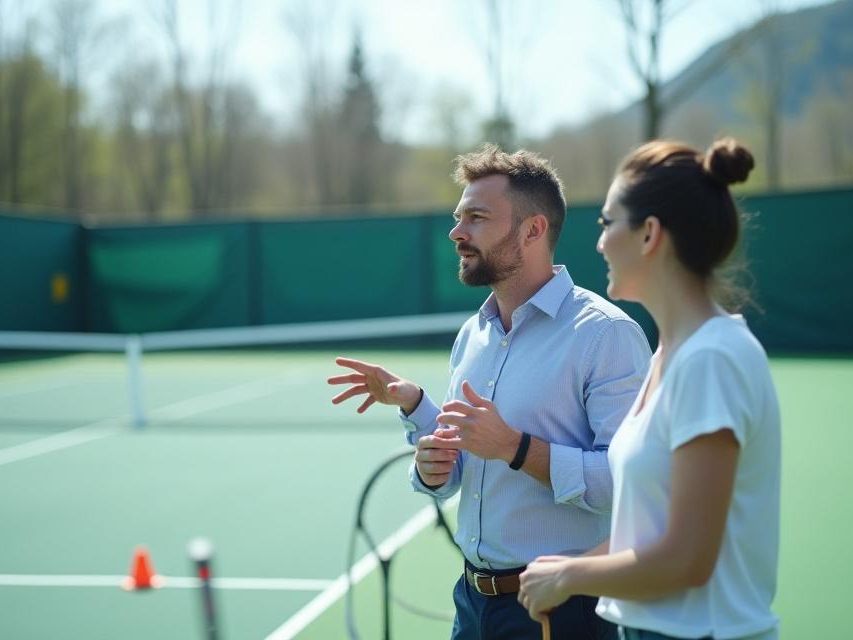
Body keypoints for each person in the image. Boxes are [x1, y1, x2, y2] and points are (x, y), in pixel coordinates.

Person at [328, 144, 650, 640]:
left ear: (533, 230)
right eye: (459, 218)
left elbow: (629, 487)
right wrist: (421, 422)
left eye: (476, 217)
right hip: (472, 604)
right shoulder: (472, 335)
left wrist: (515, 448)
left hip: (560, 609)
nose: (457, 232)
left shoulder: (606, 335)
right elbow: (459, 473)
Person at [517, 138, 781, 640]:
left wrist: (569, 577)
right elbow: (649, 533)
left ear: (649, 234)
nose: (599, 243)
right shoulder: (671, 354)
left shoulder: (711, 359)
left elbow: (687, 560)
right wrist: (563, 569)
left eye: (607, 223)